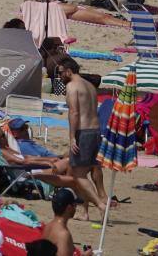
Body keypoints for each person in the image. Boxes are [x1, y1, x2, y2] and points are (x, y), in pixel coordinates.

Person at [59, 58, 107, 218]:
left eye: (60, 73)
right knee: (90, 170)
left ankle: (100, 205)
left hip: (84, 132)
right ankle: (87, 211)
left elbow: (74, 112)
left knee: (78, 175)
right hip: (96, 132)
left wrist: (72, 137)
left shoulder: (72, 86)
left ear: (68, 71)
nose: (59, 77)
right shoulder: (90, 86)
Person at [41, 188, 94, 256]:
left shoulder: (48, 226)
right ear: (69, 208)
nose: (76, 208)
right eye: (75, 205)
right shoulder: (63, 234)